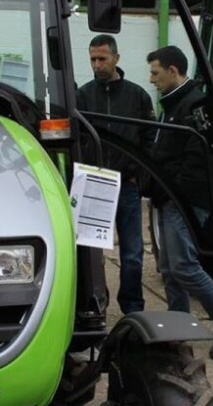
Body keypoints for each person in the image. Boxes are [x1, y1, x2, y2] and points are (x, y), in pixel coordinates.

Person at [145, 45, 213, 359]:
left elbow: (203, 160)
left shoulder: (195, 104)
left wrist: (172, 191)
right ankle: (178, 327)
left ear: (173, 71)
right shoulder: (173, 104)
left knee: (184, 266)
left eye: (156, 73)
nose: (152, 79)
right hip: (168, 196)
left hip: (182, 200)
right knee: (171, 270)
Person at [76, 34, 155, 314]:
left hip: (126, 187)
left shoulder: (137, 96)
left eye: (102, 59)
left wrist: (138, 176)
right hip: (94, 186)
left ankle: (132, 307)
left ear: (116, 58)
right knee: (91, 254)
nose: (97, 65)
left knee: (133, 254)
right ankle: (96, 303)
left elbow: (149, 138)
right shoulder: (83, 96)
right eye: (93, 60)